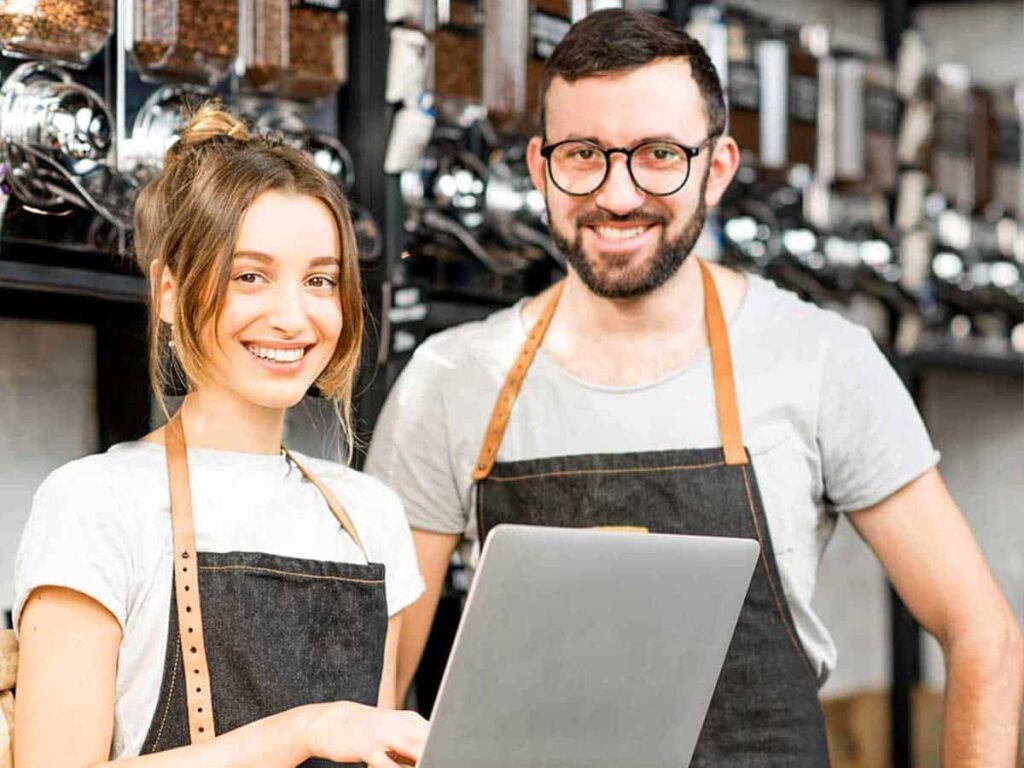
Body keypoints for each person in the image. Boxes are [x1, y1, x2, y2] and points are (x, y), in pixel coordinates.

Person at [366, 9, 1023, 764]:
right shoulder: (450, 382)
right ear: (541, 167)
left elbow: (984, 634)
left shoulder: (820, 359)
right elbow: (378, 689)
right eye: (586, 154)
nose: (618, 195)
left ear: (716, 167)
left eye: (658, 155)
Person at [14, 103, 429, 768]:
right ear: (171, 293)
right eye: (250, 276)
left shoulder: (370, 516)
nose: (292, 317)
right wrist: (301, 733)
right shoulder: (96, 502)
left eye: (319, 279)